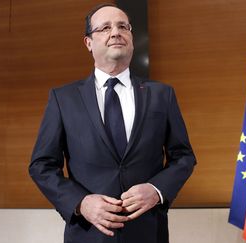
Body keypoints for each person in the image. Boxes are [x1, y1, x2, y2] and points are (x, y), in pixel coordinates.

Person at [29, 3, 196, 243]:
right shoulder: (63, 99)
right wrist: (80, 203)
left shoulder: (162, 95)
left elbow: (184, 156)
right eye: (105, 28)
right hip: (88, 234)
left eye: (122, 26)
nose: (115, 32)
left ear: (131, 37)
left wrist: (157, 190)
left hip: (148, 233)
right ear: (88, 43)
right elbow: (41, 165)